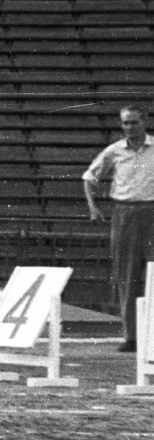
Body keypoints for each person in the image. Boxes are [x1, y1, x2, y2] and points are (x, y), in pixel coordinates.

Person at [83, 104, 154, 352]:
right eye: (125, 123)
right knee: (127, 276)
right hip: (125, 213)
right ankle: (131, 336)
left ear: (144, 121)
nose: (129, 127)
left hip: (152, 210)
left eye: (133, 122)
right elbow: (89, 177)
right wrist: (93, 207)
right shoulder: (114, 151)